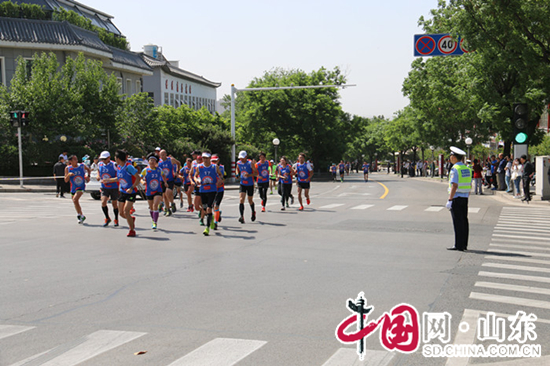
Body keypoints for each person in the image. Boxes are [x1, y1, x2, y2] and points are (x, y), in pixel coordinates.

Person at [446, 147, 471, 252]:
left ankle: (458, 245)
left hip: (456, 198)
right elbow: (469, 184)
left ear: (454, 157)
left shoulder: (455, 169)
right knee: (464, 221)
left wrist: (450, 199)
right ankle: (464, 244)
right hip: (464, 198)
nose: (450, 158)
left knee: (457, 222)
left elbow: (454, 185)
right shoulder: (467, 168)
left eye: (451, 156)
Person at [195, 152, 223, 235]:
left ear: (210, 159)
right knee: (204, 209)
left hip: (212, 189)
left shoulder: (214, 167)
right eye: (204, 158)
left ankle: (207, 228)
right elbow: (195, 175)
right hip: (203, 189)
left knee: (208, 208)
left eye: (207, 158)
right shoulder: (199, 167)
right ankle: (212, 218)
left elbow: (220, 175)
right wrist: (196, 180)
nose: (205, 160)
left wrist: (220, 180)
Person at [115, 150, 141, 237]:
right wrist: (107, 180)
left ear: (118, 158)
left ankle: (132, 230)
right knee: (121, 213)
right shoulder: (119, 167)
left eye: (115, 157)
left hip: (131, 192)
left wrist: (132, 188)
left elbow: (138, 178)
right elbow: (118, 178)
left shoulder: (129, 167)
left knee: (126, 211)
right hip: (123, 192)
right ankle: (131, 219)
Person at [141, 153, 168, 230]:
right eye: (151, 160)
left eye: (154, 160)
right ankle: (153, 219)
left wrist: (165, 182)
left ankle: (155, 222)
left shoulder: (159, 170)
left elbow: (163, 175)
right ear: (148, 162)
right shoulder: (145, 170)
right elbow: (140, 178)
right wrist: (142, 182)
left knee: (155, 205)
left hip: (158, 190)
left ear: (156, 162)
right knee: (151, 207)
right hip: (149, 191)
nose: (152, 162)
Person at [64, 155, 91, 224]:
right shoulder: (68, 168)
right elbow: (66, 180)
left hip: (81, 186)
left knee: (75, 199)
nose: (76, 160)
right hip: (73, 187)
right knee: (75, 202)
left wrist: (88, 176)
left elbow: (88, 170)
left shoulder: (82, 166)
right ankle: (81, 215)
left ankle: (79, 215)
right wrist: (69, 175)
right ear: (70, 161)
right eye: (74, 159)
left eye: (76, 159)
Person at [97, 151, 120, 227]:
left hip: (114, 187)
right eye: (102, 159)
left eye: (105, 159)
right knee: (103, 202)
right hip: (104, 187)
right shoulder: (100, 164)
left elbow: (118, 177)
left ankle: (116, 218)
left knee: (114, 204)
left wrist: (109, 180)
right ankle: (107, 217)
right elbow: (98, 170)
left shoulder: (114, 165)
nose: (103, 160)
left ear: (109, 158)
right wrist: (98, 176)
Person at [236, 150, 258, 223]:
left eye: (242, 158)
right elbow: (237, 168)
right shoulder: (239, 163)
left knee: (250, 200)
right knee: (241, 199)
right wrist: (237, 174)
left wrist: (249, 175)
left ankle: (253, 212)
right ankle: (241, 216)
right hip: (242, 183)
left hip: (250, 184)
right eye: (240, 158)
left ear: (246, 157)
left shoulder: (250, 163)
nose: (241, 159)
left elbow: (255, 173)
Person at [158, 150, 181, 216]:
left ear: (166, 154)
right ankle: (168, 209)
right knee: (164, 196)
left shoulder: (171, 160)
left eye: (163, 154)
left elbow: (178, 163)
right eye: (160, 155)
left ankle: (172, 203)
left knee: (168, 192)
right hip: (162, 180)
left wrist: (177, 171)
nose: (162, 156)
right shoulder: (159, 162)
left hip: (170, 179)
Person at [211, 154, 225, 229]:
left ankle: (215, 223)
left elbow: (222, 177)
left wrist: (220, 180)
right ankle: (218, 213)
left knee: (216, 205)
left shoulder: (221, 168)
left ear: (218, 161)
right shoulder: (209, 168)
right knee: (212, 206)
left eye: (215, 161)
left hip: (220, 189)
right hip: (212, 189)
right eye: (212, 161)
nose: (213, 162)